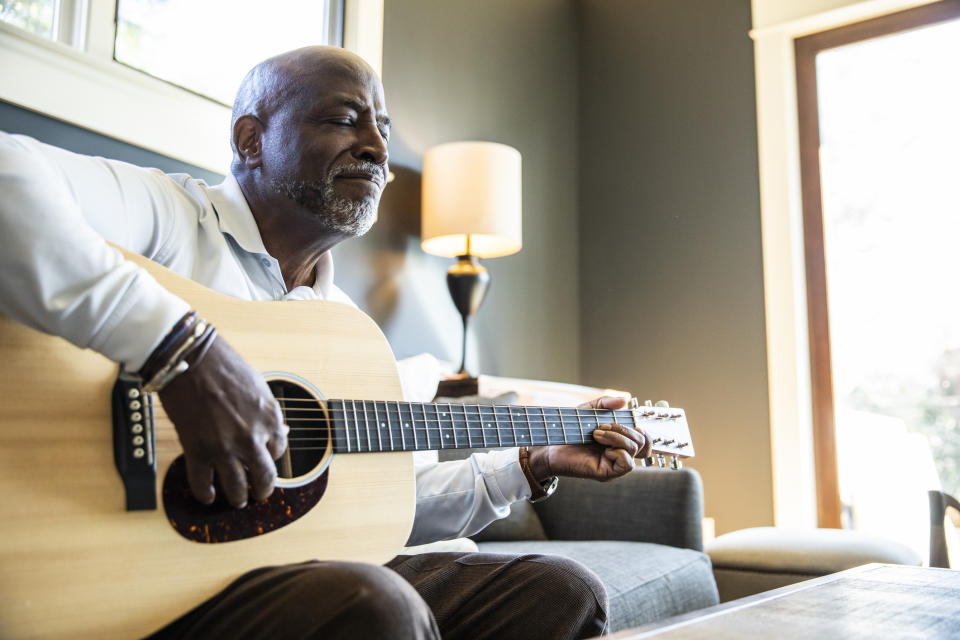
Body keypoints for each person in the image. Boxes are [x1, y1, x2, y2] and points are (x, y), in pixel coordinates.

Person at [0, 46, 652, 639]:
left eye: (384, 130)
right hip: (136, 587)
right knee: (379, 605)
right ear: (250, 139)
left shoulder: (345, 331)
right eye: (345, 119)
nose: (376, 147)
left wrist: (531, 463)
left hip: (294, 578)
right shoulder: (170, 216)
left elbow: (390, 505)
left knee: (561, 593)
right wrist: (183, 353)